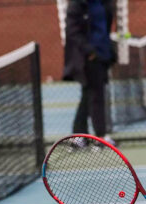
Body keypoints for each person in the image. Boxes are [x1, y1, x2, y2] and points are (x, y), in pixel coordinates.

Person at [63, 0, 117, 146]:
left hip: (103, 55)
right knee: (96, 95)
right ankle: (100, 136)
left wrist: (109, 51)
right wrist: (89, 51)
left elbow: (105, 27)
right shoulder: (77, 5)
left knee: (89, 94)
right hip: (87, 59)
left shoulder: (103, 4)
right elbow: (72, 31)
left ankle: (79, 135)